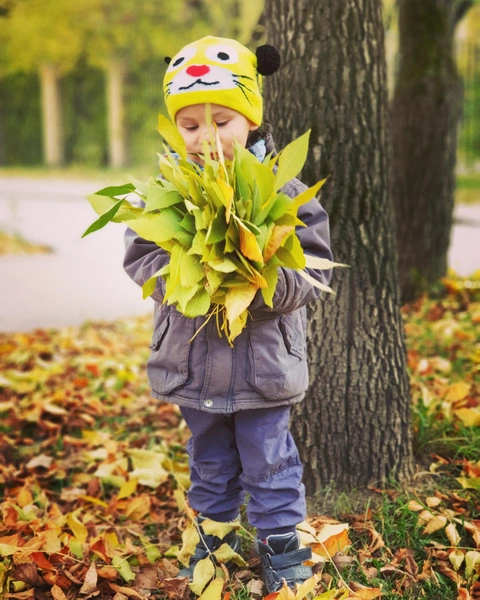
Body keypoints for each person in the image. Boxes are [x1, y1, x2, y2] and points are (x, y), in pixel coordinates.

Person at [123, 35, 333, 593]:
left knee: (271, 463)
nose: (206, 137)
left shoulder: (286, 193)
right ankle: (213, 542)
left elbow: (312, 268)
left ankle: (282, 550)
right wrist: (188, 278)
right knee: (210, 460)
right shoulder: (165, 194)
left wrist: (251, 281)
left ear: (251, 121)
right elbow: (141, 255)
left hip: (263, 368)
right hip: (194, 365)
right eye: (190, 125)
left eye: (222, 121)